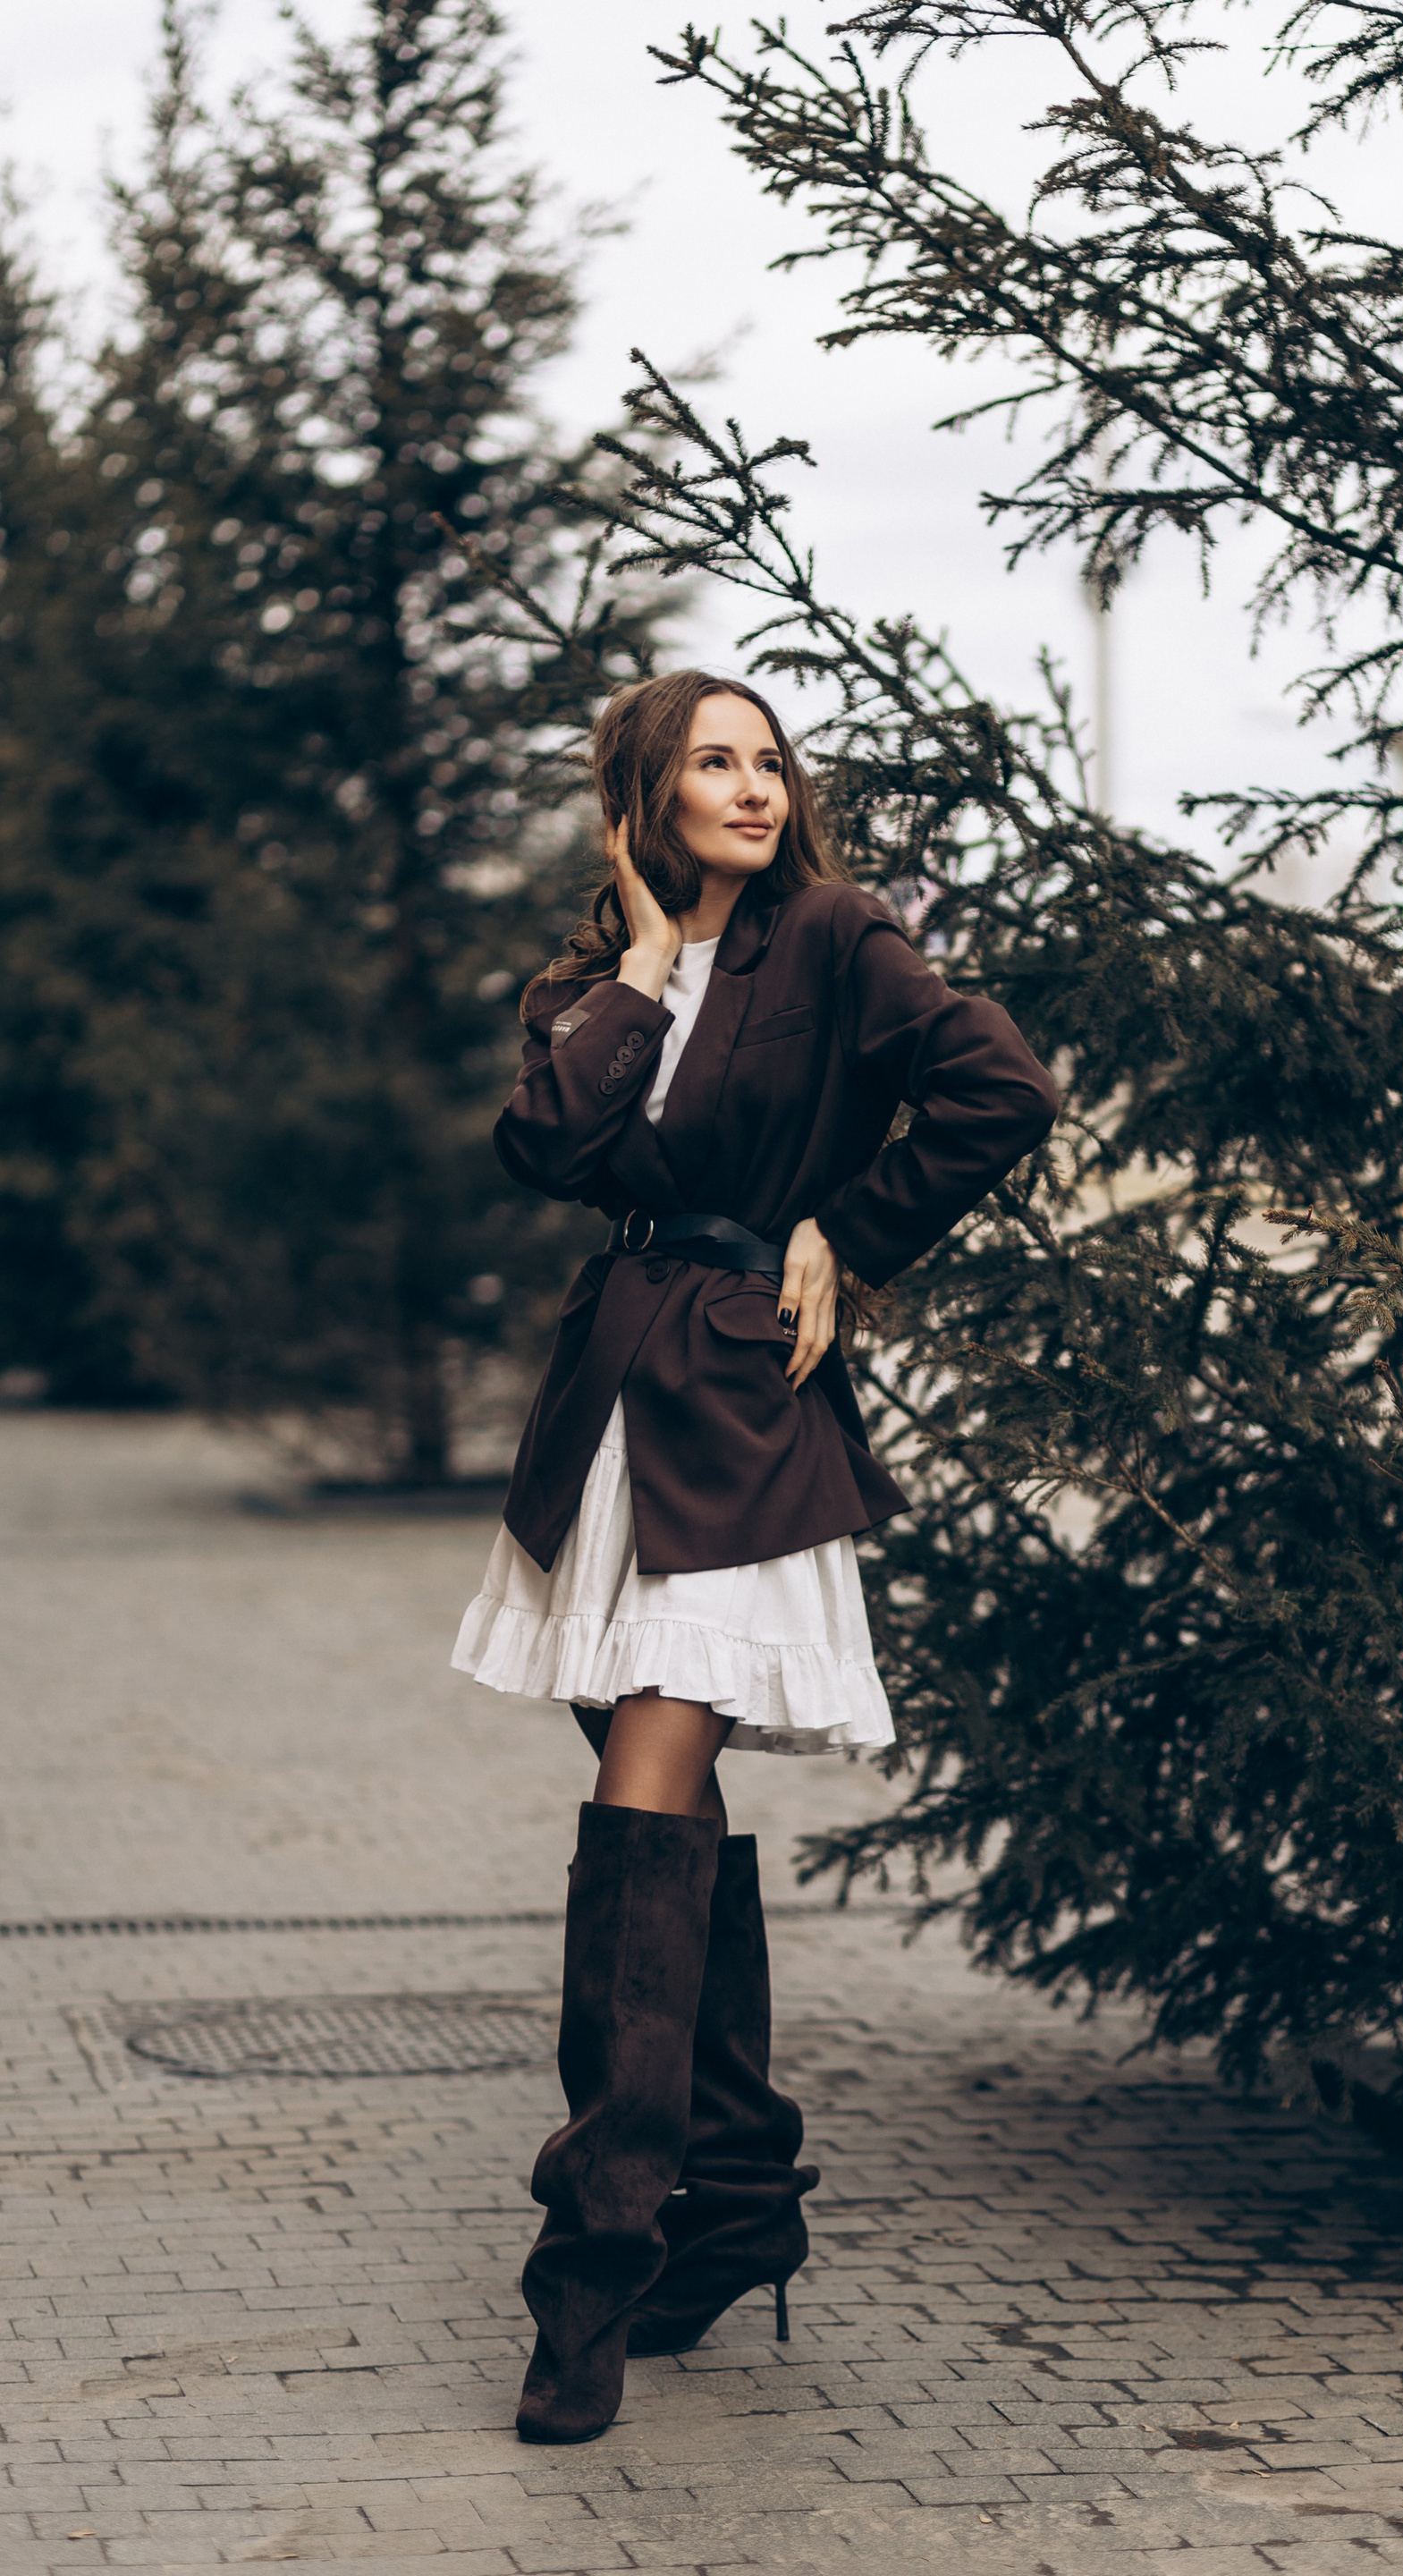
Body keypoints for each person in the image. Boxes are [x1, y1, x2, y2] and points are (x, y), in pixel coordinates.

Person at [452, 669, 1058, 2445]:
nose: (754, 785)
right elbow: (546, 1147)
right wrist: (646, 964)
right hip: (605, 1410)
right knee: (672, 1821)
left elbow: (1001, 1086)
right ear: (643, 796)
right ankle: (737, 2202)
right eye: (713, 761)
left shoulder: (838, 939)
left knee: (645, 1795)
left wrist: (847, 1231)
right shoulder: (593, 988)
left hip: (736, 1404)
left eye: (769, 760)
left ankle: (594, 2263)